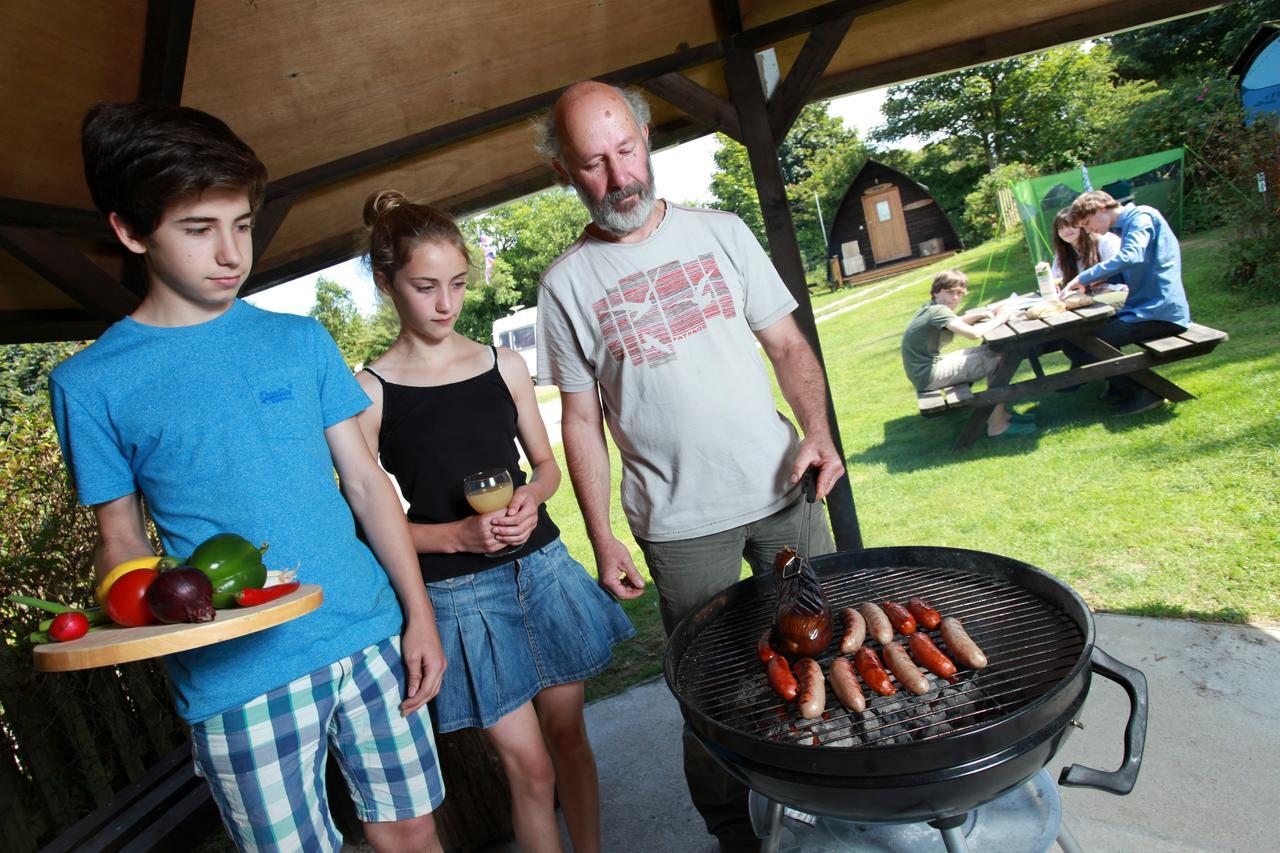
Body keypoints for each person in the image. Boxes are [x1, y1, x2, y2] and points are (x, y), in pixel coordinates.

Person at [49, 102, 446, 852]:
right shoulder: (90, 382)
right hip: (235, 670)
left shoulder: (299, 340)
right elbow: (120, 538)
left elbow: (366, 483)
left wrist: (416, 613)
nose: (232, 252)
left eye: (242, 224)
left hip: (363, 628)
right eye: (199, 230)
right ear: (131, 232)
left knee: (412, 831)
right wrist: (127, 599)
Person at [532, 80, 845, 853]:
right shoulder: (565, 284)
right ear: (566, 173)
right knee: (718, 685)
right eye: (595, 163)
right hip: (677, 522)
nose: (619, 177)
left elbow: (788, 346)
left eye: (627, 151)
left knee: (829, 643)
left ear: (647, 139)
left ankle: (848, 791)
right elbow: (581, 419)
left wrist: (817, 430)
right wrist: (602, 536)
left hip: (784, 487)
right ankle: (735, 834)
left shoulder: (724, 232)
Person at [353, 189, 634, 853]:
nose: (445, 303)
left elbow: (546, 464)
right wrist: (454, 536)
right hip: (459, 598)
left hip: (542, 573)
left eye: (456, 283)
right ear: (385, 282)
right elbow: (369, 523)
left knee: (569, 741)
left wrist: (533, 497)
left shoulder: (501, 363)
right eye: (425, 286)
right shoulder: (368, 391)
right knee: (530, 766)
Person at [1061, 190, 1191, 415]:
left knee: (1080, 343)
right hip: (1143, 310)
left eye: (1088, 223)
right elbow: (1134, 269)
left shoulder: (1142, 217)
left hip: (1159, 313)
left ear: (1101, 208)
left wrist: (1085, 276)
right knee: (1075, 338)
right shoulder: (1126, 226)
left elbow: (1132, 256)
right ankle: (1120, 385)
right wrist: (1103, 280)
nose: (1089, 230)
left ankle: (1144, 392)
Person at [900, 269, 1034, 438]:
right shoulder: (938, 311)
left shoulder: (930, 308)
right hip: (929, 375)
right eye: (950, 293)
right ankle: (997, 426)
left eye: (960, 293)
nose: (955, 298)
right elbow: (973, 334)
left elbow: (955, 323)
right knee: (1001, 358)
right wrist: (1001, 318)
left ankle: (1002, 415)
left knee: (994, 350)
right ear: (936, 291)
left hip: (923, 371)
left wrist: (983, 315)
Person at [1049, 208, 1123, 295]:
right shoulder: (1061, 253)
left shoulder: (1104, 240)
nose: (1066, 231)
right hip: (1084, 295)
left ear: (1082, 225)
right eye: (1061, 228)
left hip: (1115, 290)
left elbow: (1117, 268)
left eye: (1070, 225)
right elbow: (1056, 279)